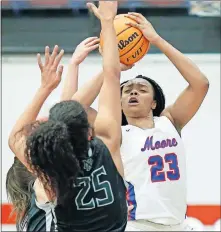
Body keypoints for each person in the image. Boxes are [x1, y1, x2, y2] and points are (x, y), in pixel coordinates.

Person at [65, 13, 209, 231]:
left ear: (154, 103)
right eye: (127, 90)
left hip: (179, 224)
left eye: (142, 90)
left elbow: (200, 84)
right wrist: (110, 69)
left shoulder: (170, 121)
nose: (133, 92)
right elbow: (71, 110)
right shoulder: (116, 133)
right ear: (119, 103)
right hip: (136, 224)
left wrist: (157, 40)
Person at [8, 1, 128, 231]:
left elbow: (15, 138)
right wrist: (107, 22)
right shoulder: (108, 144)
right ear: (90, 131)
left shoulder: (51, 166)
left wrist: (45, 88)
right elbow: (112, 74)